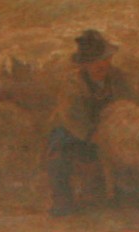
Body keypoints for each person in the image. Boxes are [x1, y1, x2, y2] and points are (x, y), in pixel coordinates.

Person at [46, 31, 131, 216]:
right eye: (94, 61)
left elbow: (129, 104)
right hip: (72, 131)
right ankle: (62, 199)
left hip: (108, 130)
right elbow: (72, 117)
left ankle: (112, 195)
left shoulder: (118, 78)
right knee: (58, 156)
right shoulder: (73, 84)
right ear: (84, 64)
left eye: (105, 59)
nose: (101, 64)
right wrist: (93, 135)